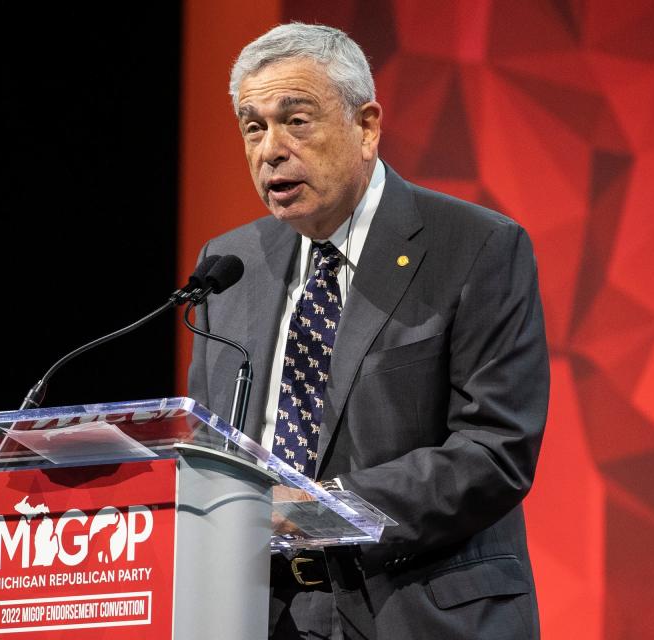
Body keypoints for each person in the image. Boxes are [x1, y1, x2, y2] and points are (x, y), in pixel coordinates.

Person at [187, 23, 549, 640]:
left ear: (367, 126)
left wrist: (314, 512)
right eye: (253, 127)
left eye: (295, 120)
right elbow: (209, 448)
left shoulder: (476, 246)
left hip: (417, 609)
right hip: (258, 615)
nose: (270, 149)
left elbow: (494, 450)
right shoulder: (230, 264)